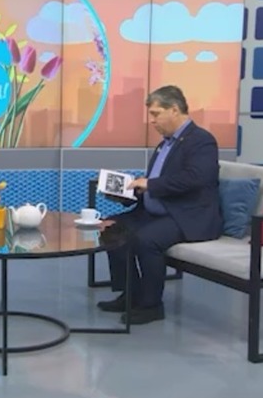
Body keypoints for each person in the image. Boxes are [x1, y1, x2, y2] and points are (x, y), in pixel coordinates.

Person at [96, 85, 223, 325]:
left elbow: (196, 178)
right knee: (111, 228)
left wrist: (150, 184)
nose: (152, 121)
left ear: (174, 109)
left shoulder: (202, 141)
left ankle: (151, 305)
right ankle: (130, 294)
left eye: (156, 114)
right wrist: (128, 191)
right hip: (155, 211)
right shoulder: (165, 143)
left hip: (186, 216)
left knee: (146, 240)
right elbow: (156, 184)